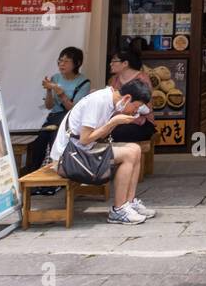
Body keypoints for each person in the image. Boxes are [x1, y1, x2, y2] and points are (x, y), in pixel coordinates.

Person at [48, 77, 154, 224]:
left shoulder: (110, 102)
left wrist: (114, 122)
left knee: (135, 149)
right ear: (127, 98)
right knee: (129, 154)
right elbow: (85, 138)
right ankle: (119, 210)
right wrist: (113, 122)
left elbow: (97, 136)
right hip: (67, 159)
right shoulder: (99, 101)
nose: (135, 111)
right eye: (136, 106)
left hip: (80, 152)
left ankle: (129, 203)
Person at [24, 47, 91, 176]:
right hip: (54, 117)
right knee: (40, 141)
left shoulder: (84, 82)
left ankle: (56, 174)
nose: (61, 64)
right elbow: (49, 106)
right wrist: (49, 90)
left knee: (55, 139)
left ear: (77, 63)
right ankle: (33, 174)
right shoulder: (56, 78)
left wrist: (61, 93)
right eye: (60, 61)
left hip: (69, 119)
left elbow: (74, 109)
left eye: (66, 61)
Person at [106, 48, 156, 145]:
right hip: (119, 120)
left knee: (118, 133)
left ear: (125, 63)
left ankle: (126, 158)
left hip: (141, 121)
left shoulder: (142, 79)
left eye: (114, 61)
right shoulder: (114, 79)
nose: (110, 64)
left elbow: (146, 108)